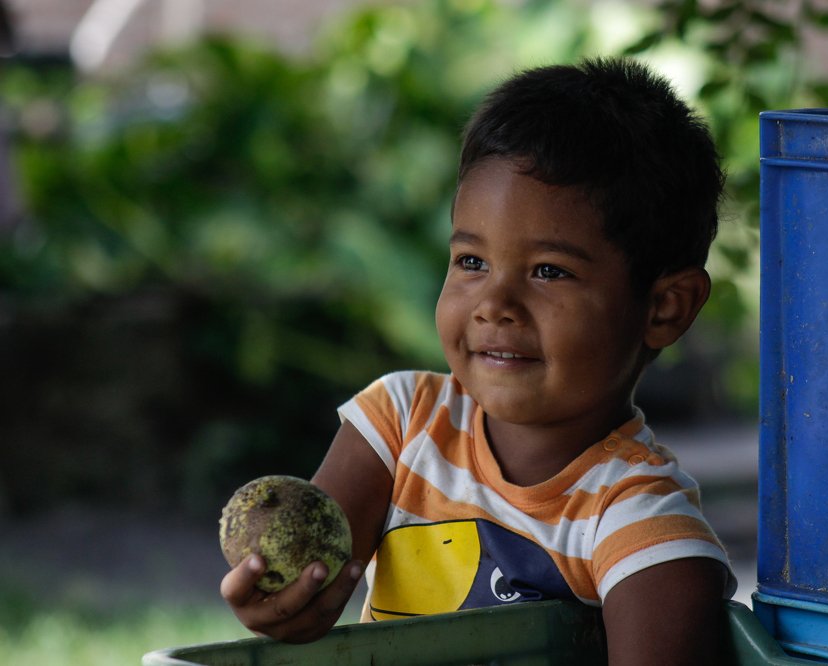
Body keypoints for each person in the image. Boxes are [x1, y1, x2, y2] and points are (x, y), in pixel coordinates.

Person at [221, 56, 736, 665]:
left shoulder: (637, 524)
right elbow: (314, 589)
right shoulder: (401, 422)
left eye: (549, 271)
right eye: (471, 262)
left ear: (665, 308)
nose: (495, 304)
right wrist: (282, 607)